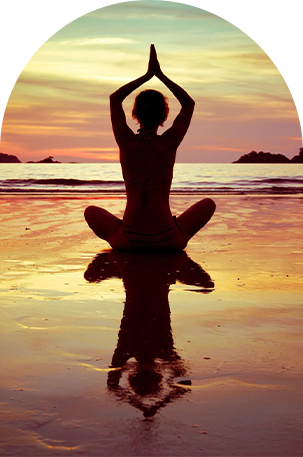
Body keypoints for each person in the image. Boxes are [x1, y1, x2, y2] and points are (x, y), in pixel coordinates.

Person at [84, 44, 215, 250]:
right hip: (168, 241)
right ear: (164, 116)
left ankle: (120, 230)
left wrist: (146, 76)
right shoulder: (168, 143)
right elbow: (188, 104)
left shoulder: (126, 141)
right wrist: (160, 75)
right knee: (209, 203)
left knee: (90, 211)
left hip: (128, 241)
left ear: (135, 115)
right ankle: (171, 228)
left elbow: (115, 98)